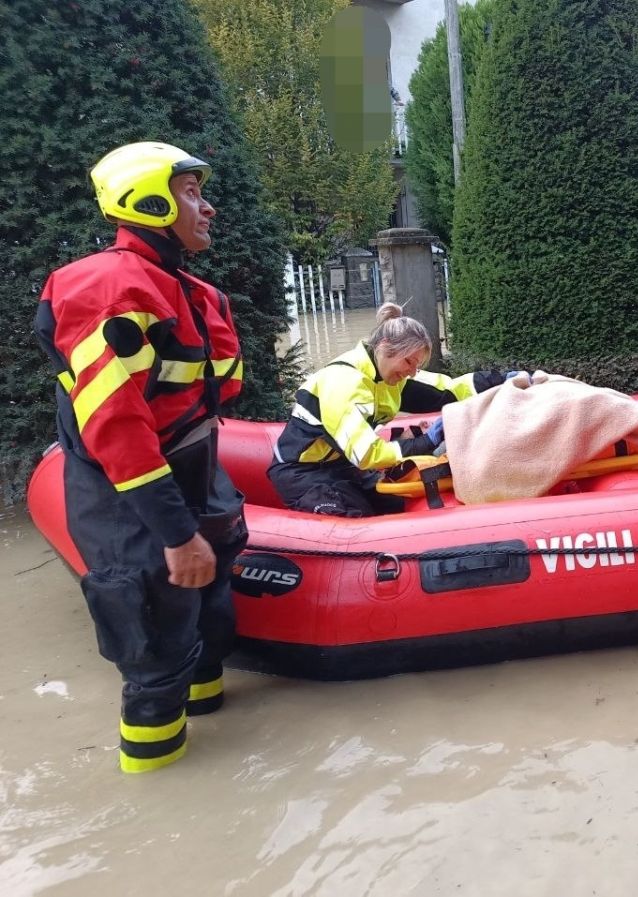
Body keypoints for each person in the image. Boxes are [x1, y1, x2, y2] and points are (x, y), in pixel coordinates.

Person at [34, 141, 248, 773]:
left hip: (196, 474)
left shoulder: (193, 292)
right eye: (190, 193)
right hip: (132, 499)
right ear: (148, 200)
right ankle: (163, 791)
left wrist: (203, 515)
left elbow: (208, 399)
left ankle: (212, 725)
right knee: (154, 650)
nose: (206, 208)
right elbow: (117, 428)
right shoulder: (109, 289)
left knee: (208, 621)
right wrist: (177, 533)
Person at [268, 304, 505, 516]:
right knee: (356, 522)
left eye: (418, 365)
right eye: (409, 362)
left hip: (342, 466)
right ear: (384, 347)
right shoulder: (342, 383)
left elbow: (450, 389)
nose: (412, 372)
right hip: (302, 473)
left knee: (400, 504)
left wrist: (505, 380)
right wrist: (426, 442)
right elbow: (365, 454)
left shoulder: (391, 376)